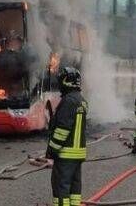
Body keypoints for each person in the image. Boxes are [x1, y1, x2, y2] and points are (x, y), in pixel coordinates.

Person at [46, 67, 88, 206]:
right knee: (75, 187)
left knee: (61, 187)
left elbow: (62, 129)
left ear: (66, 82)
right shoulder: (81, 100)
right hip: (78, 153)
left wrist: (52, 150)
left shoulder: (69, 101)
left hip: (66, 153)